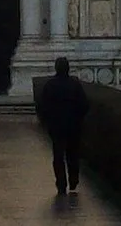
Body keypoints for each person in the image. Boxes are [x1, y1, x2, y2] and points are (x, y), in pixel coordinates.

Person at [36, 56, 89, 196]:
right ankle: (73, 180)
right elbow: (84, 104)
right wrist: (78, 119)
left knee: (58, 156)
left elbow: (43, 106)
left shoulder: (50, 85)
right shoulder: (75, 84)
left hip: (56, 126)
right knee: (73, 154)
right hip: (73, 125)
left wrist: (47, 121)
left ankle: (61, 183)